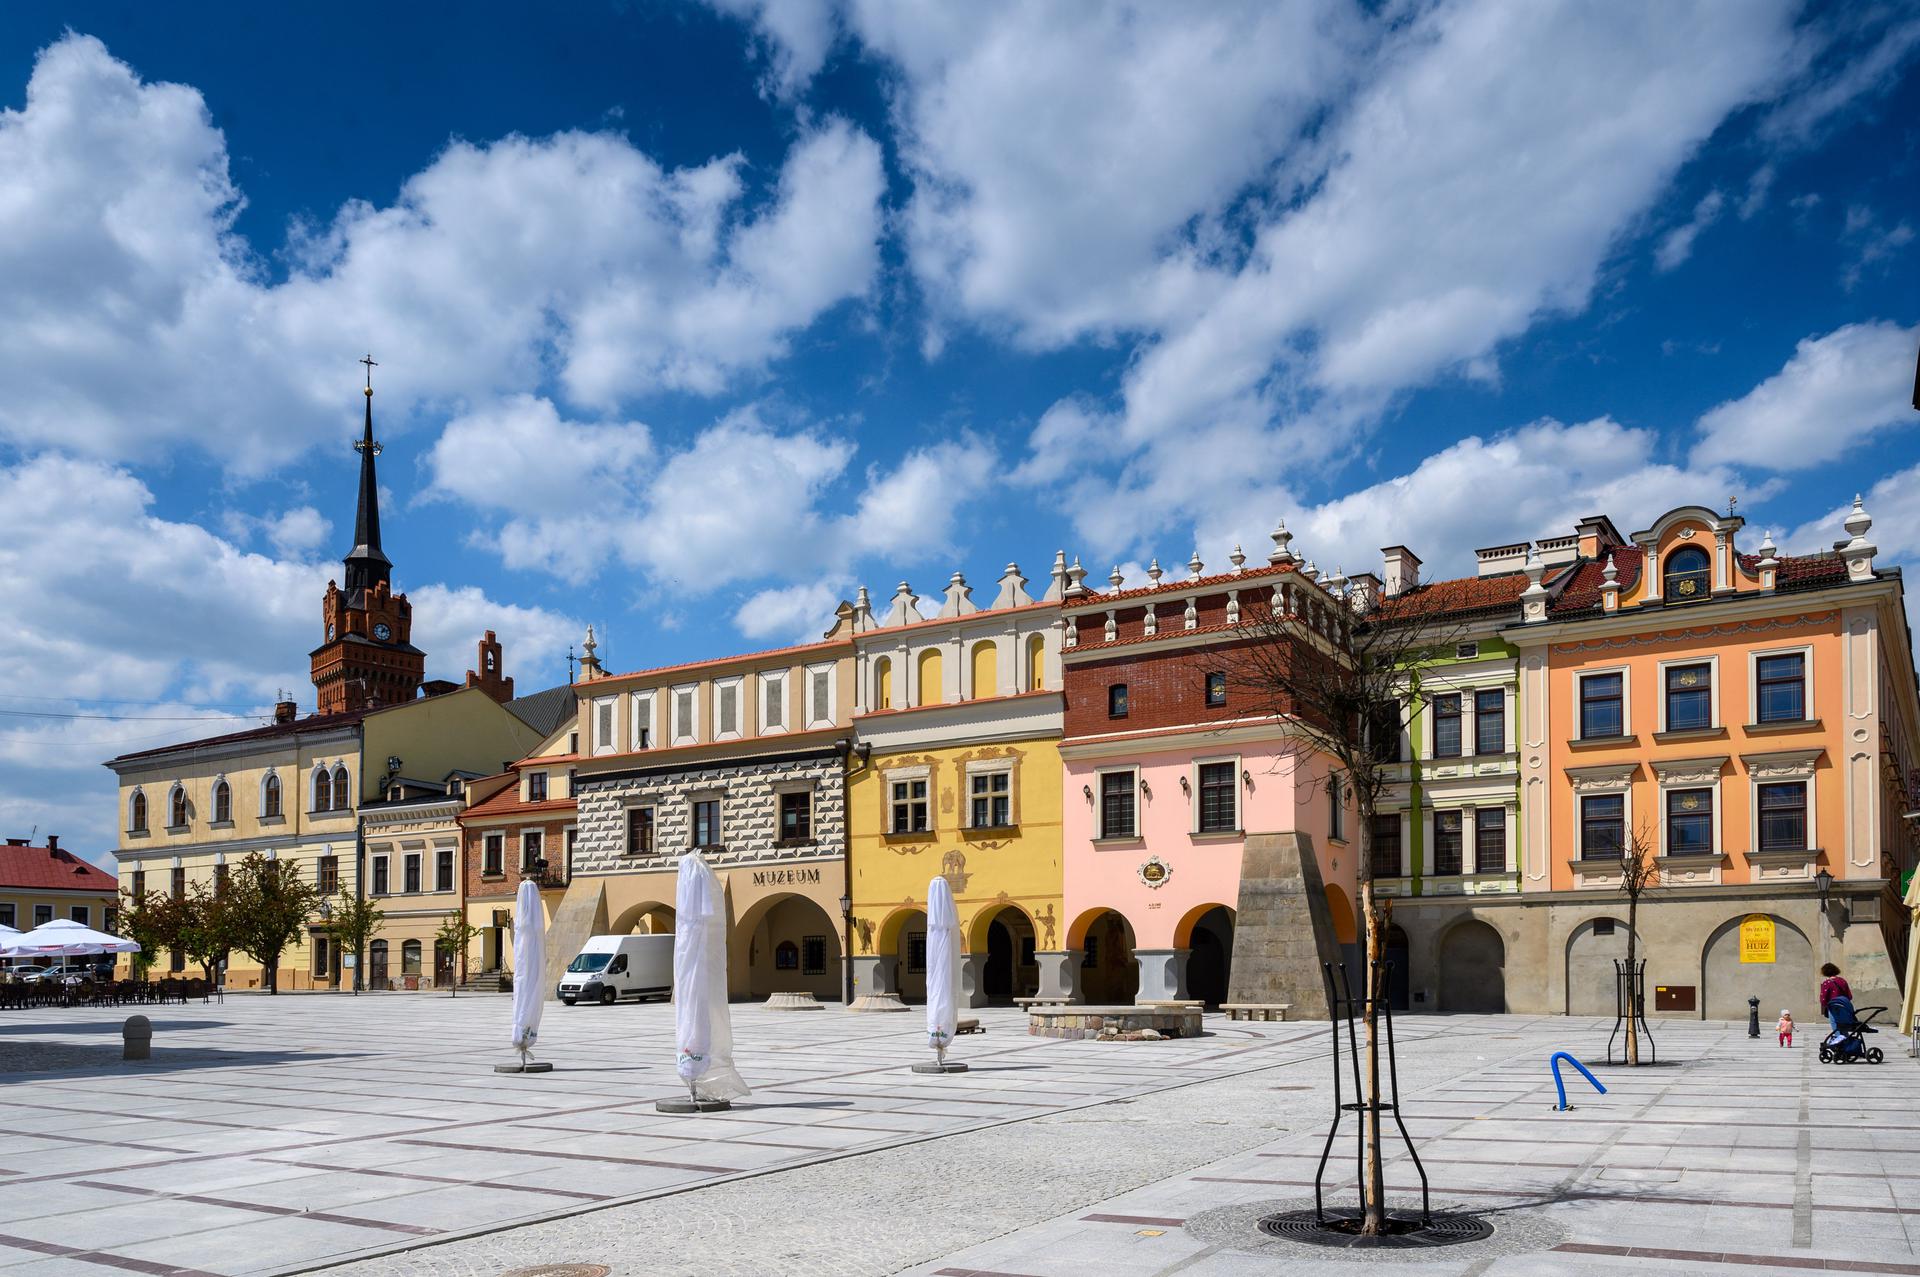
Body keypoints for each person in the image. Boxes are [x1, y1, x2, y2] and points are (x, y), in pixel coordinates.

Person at [1818, 963, 1852, 1034]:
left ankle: (1840, 1042)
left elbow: (1823, 999)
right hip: (1844, 1007)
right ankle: (1846, 1042)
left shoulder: (1827, 983)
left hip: (1833, 1007)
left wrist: (1825, 1006)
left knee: (1836, 1026)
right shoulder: (1842, 981)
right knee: (1844, 1026)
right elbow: (1849, 996)